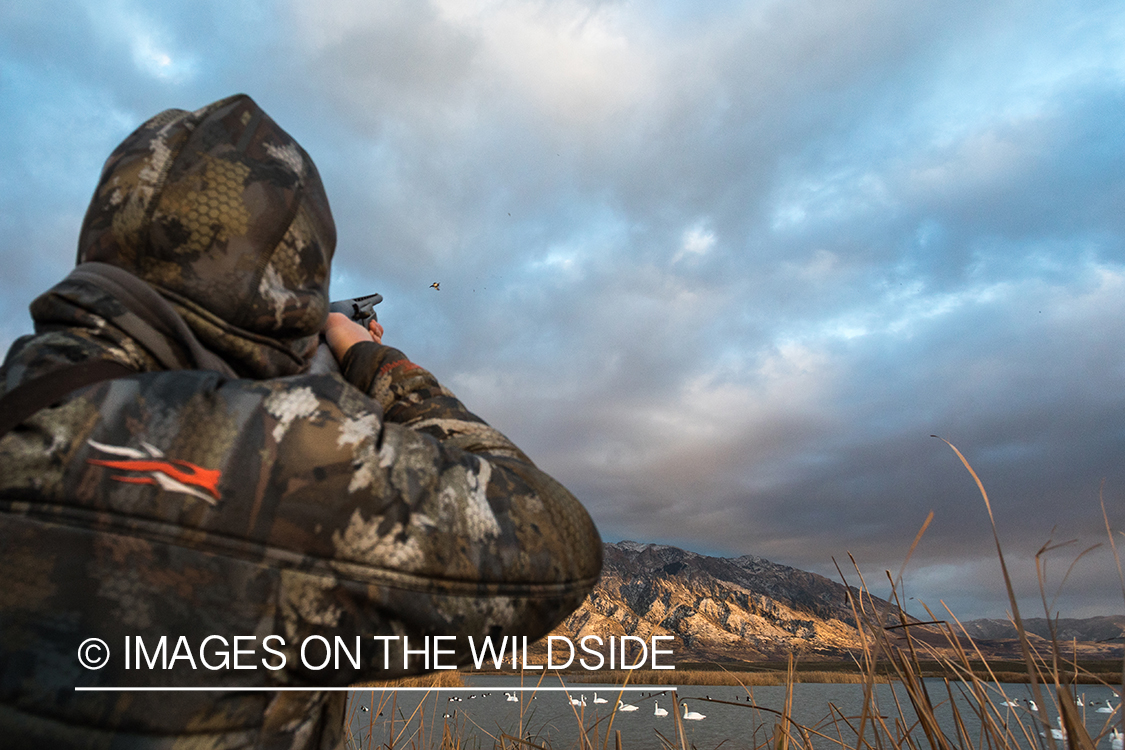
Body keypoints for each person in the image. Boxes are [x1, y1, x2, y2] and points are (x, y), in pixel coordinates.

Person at [0, 94, 602, 748]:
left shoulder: (25, 400)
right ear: (286, 286)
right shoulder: (276, 453)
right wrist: (366, 358)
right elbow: (556, 541)